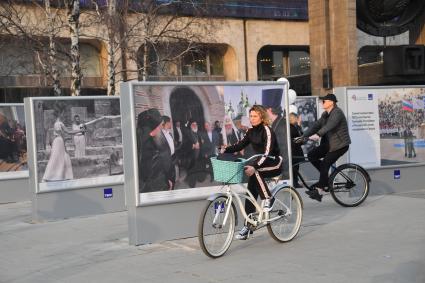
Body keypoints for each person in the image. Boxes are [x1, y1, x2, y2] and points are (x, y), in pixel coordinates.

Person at [223, 105, 283, 240]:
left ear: (262, 117)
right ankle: (248, 226)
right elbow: (239, 145)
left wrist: (255, 166)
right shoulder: (250, 131)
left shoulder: (267, 130)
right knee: (250, 192)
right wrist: (225, 149)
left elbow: (267, 153)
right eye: (250, 116)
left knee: (254, 172)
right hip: (260, 164)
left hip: (273, 163)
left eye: (255, 116)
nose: (252, 119)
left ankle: (268, 198)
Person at [298, 93, 351, 202]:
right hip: (328, 144)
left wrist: (318, 135)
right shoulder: (325, 115)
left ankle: (320, 190)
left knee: (326, 163)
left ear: (331, 102)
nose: (322, 103)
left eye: (324, 101)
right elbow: (315, 126)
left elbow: (329, 125)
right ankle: (325, 180)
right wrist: (303, 136)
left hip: (340, 145)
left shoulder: (337, 113)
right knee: (312, 155)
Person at [42, 105, 85, 182]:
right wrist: (80, 131)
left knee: (63, 157)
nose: (64, 115)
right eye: (63, 113)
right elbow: (68, 132)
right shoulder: (60, 123)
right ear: (61, 114)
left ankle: (63, 175)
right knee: (57, 158)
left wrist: (65, 140)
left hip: (58, 141)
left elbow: (61, 134)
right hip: (58, 141)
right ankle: (51, 176)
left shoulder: (56, 123)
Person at [262, 88, 289, 180]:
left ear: (269, 110)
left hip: (282, 173)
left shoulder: (282, 126)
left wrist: (281, 173)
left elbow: (284, 154)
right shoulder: (276, 123)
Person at [136, 108, 164, 193]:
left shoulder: (149, 134)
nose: (160, 128)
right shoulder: (145, 132)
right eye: (159, 126)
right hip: (145, 181)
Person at [154, 115, 176, 190]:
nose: (171, 124)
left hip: (172, 160)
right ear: (166, 123)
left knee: (172, 179)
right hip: (165, 162)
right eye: (170, 122)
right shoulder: (159, 135)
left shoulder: (170, 134)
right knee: (167, 182)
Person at [288, 105, 304, 188]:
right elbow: (300, 137)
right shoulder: (291, 127)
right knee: (294, 168)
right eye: (295, 117)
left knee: (295, 168)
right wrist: (299, 125)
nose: (297, 119)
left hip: (294, 150)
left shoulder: (292, 126)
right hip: (294, 151)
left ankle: (295, 182)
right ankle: (295, 183)